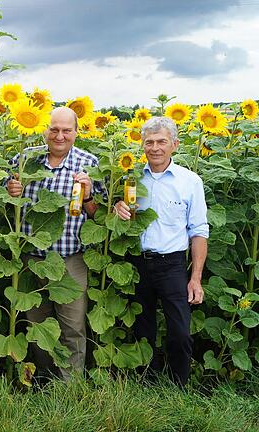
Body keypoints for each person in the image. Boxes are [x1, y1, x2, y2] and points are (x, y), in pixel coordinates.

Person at [6, 106, 103, 380]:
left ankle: (70, 387)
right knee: (37, 324)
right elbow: (7, 194)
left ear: (76, 132)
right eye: (54, 129)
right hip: (31, 258)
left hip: (70, 259)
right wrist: (11, 190)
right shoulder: (24, 159)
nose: (59, 136)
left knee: (72, 325)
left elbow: (98, 214)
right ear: (44, 129)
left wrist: (86, 197)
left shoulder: (89, 163)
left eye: (66, 130)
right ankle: (44, 382)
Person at [113, 116, 208, 386]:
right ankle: (147, 381)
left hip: (172, 264)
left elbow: (199, 230)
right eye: (149, 142)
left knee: (179, 330)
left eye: (161, 142)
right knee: (143, 328)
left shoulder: (190, 182)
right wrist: (116, 208)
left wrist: (196, 278)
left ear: (174, 145)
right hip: (137, 262)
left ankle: (179, 385)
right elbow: (120, 216)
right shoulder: (129, 178)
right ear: (142, 145)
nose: (155, 147)